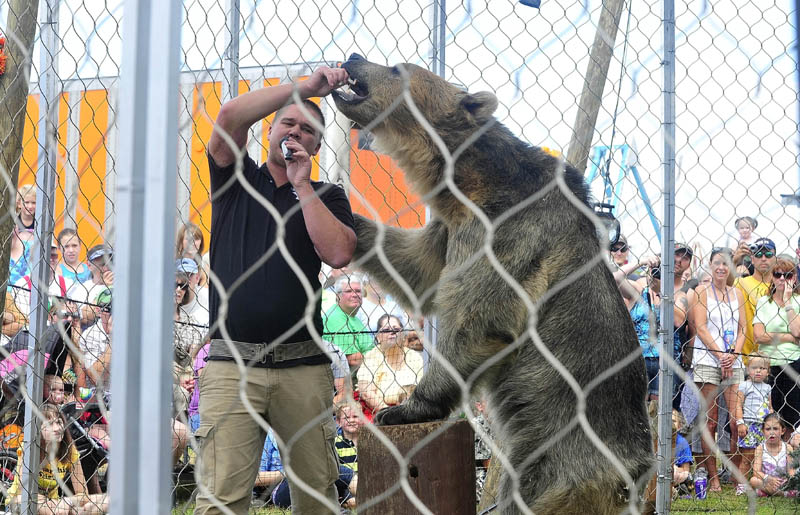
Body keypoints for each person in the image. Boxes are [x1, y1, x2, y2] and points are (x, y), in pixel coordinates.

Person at [195, 64, 356, 515]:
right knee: (220, 501)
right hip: (233, 362)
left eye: (308, 130)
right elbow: (228, 117)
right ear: (268, 128)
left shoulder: (327, 194)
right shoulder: (236, 180)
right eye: (288, 122)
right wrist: (304, 88)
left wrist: (303, 185)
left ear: (318, 146)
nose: (296, 132)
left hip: (301, 364)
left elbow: (340, 253)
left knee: (317, 498)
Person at [691, 247, 746, 493]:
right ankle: (713, 477)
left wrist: (733, 354)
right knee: (710, 422)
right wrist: (720, 355)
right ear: (710, 266)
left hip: (733, 361)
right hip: (707, 360)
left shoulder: (738, 293)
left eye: (725, 263)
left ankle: (735, 476)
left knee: (737, 421)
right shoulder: (701, 291)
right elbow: (700, 327)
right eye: (717, 263)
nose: (721, 268)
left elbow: (744, 328)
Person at [5, 404, 107, 514]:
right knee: (40, 505)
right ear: (38, 429)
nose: (57, 428)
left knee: (98, 502)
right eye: (50, 424)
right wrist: (48, 502)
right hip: (23, 502)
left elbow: (82, 493)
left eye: (59, 422)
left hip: (56, 504)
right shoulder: (29, 448)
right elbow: (22, 490)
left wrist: (68, 502)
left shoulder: (70, 450)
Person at [272, 402, 362, 510]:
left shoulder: (369, 440)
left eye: (355, 416)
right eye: (347, 417)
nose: (351, 420)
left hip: (339, 486)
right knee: (332, 469)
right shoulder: (333, 442)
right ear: (338, 421)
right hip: (316, 484)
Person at [753, 258, 800, 430]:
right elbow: (758, 335)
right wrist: (787, 337)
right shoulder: (764, 302)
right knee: (769, 417)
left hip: (793, 363)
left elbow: (798, 331)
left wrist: (788, 302)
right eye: (777, 274)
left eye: (787, 275)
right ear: (772, 277)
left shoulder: (798, 301)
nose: (782, 279)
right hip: (768, 365)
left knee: (792, 418)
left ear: (794, 278)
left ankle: (790, 455)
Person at [357, 314, 424, 419]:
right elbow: (366, 392)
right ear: (378, 336)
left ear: (403, 335)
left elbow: (423, 388)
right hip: (381, 413)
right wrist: (390, 414)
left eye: (396, 329)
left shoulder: (414, 356)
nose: (392, 332)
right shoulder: (372, 356)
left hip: (414, 411)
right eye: (386, 330)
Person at [734, 354, 772, 495]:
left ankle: (758, 483)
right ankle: (741, 486)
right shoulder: (744, 386)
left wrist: (771, 422)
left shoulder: (767, 388)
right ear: (748, 369)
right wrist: (740, 423)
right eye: (754, 368)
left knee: (761, 457)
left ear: (768, 371)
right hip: (749, 425)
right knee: (747, 457)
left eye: (762, 368)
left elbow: (770, 406)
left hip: (763, 427)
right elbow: (738, 405)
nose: (758, 371)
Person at [735, 237, 777, 361]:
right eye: (758, 254)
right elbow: (722, 286)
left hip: (775, 359)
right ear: (752, 259)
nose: (763, 258)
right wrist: (735, 259)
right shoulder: (740, 283)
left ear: (775, 259)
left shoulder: (781, 284)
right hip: (745, 357)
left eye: (768, 254)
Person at [323, 275, 374, 370]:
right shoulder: (335, 318)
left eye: (358, 291)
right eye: (348, 291)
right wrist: (378, 356)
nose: (355, 294)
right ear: (338, 295)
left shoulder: (353, 317)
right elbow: (352, 360)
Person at [748, 413, 795, 497]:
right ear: (763, 431)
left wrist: (788, 480)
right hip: (767, 481)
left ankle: (769, 492)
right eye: (768, 429)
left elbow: (790, 471)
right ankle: (783, 494)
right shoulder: (760, 448)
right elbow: (756, 472)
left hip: (782, 482)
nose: (772, 432)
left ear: (783, 431)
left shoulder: (788, 448)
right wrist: (768, 478)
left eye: (776, 429)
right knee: (753, 480)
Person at [68, 244, 114, 327]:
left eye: (110, 263)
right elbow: (85, 318)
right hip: (91, 337)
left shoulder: (122, 286)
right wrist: (106, 290)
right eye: (103, 264)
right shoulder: (82, 289)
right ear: (89, 266)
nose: (107, 268)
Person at [176, 257, 209, 327]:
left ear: (197, 278)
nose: (186, 279)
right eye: (182, 275)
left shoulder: (207, 297)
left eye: (189, 275)